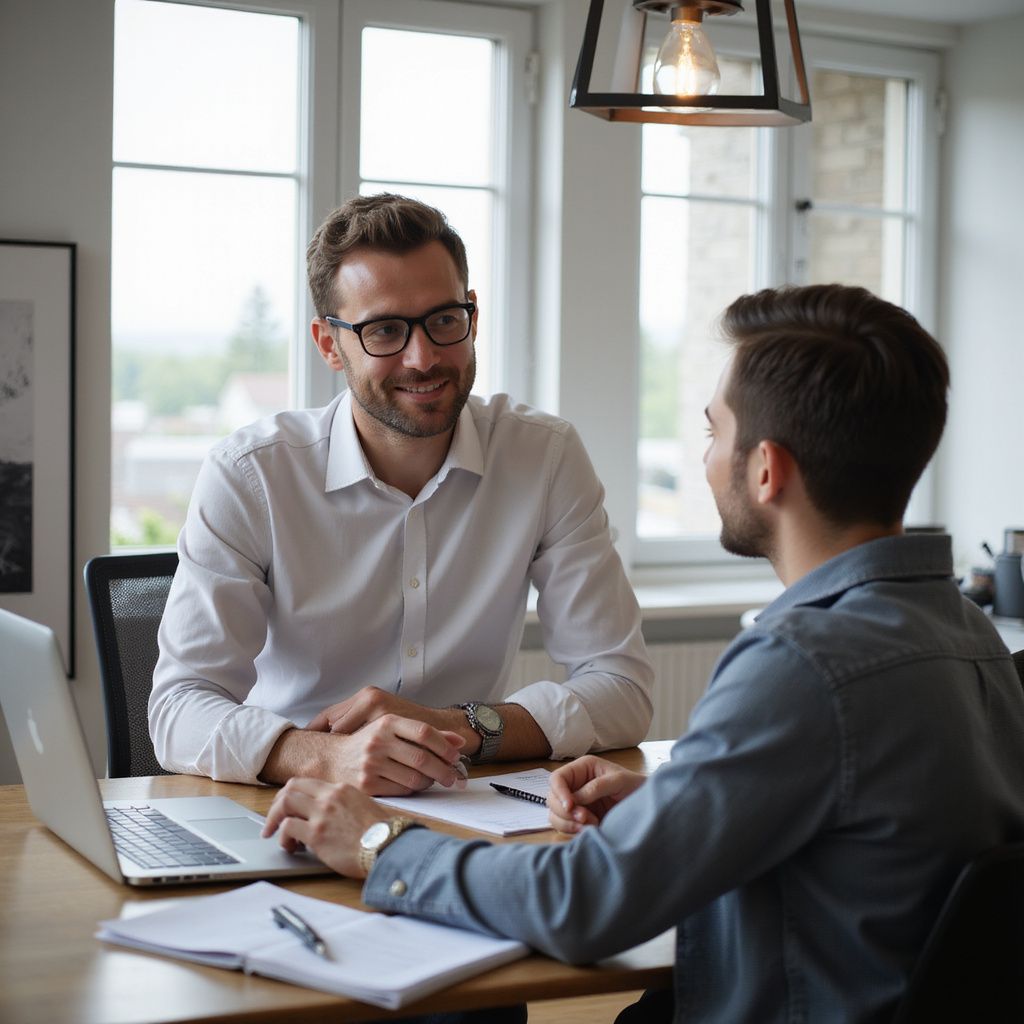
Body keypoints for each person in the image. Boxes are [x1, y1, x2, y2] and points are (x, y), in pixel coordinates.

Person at [262, 283, 1024, 1023]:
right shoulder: (967, 632)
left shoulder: (802, 665)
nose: (704, 458)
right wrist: (682, 802)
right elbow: (867, 828)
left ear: (766, 470)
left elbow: (585, 905)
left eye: (713, 432)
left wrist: (377, 840)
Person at [150, 193, 653, 793]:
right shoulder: (251, 475)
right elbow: (178, 709)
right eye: (385, 330)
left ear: (472, 314)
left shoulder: (543, 457)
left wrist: (454, 728)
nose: (424, 357)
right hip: (287, 804)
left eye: (444, 320)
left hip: (470, 810)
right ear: (329, 343)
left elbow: (622, 690)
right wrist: (324, 757)